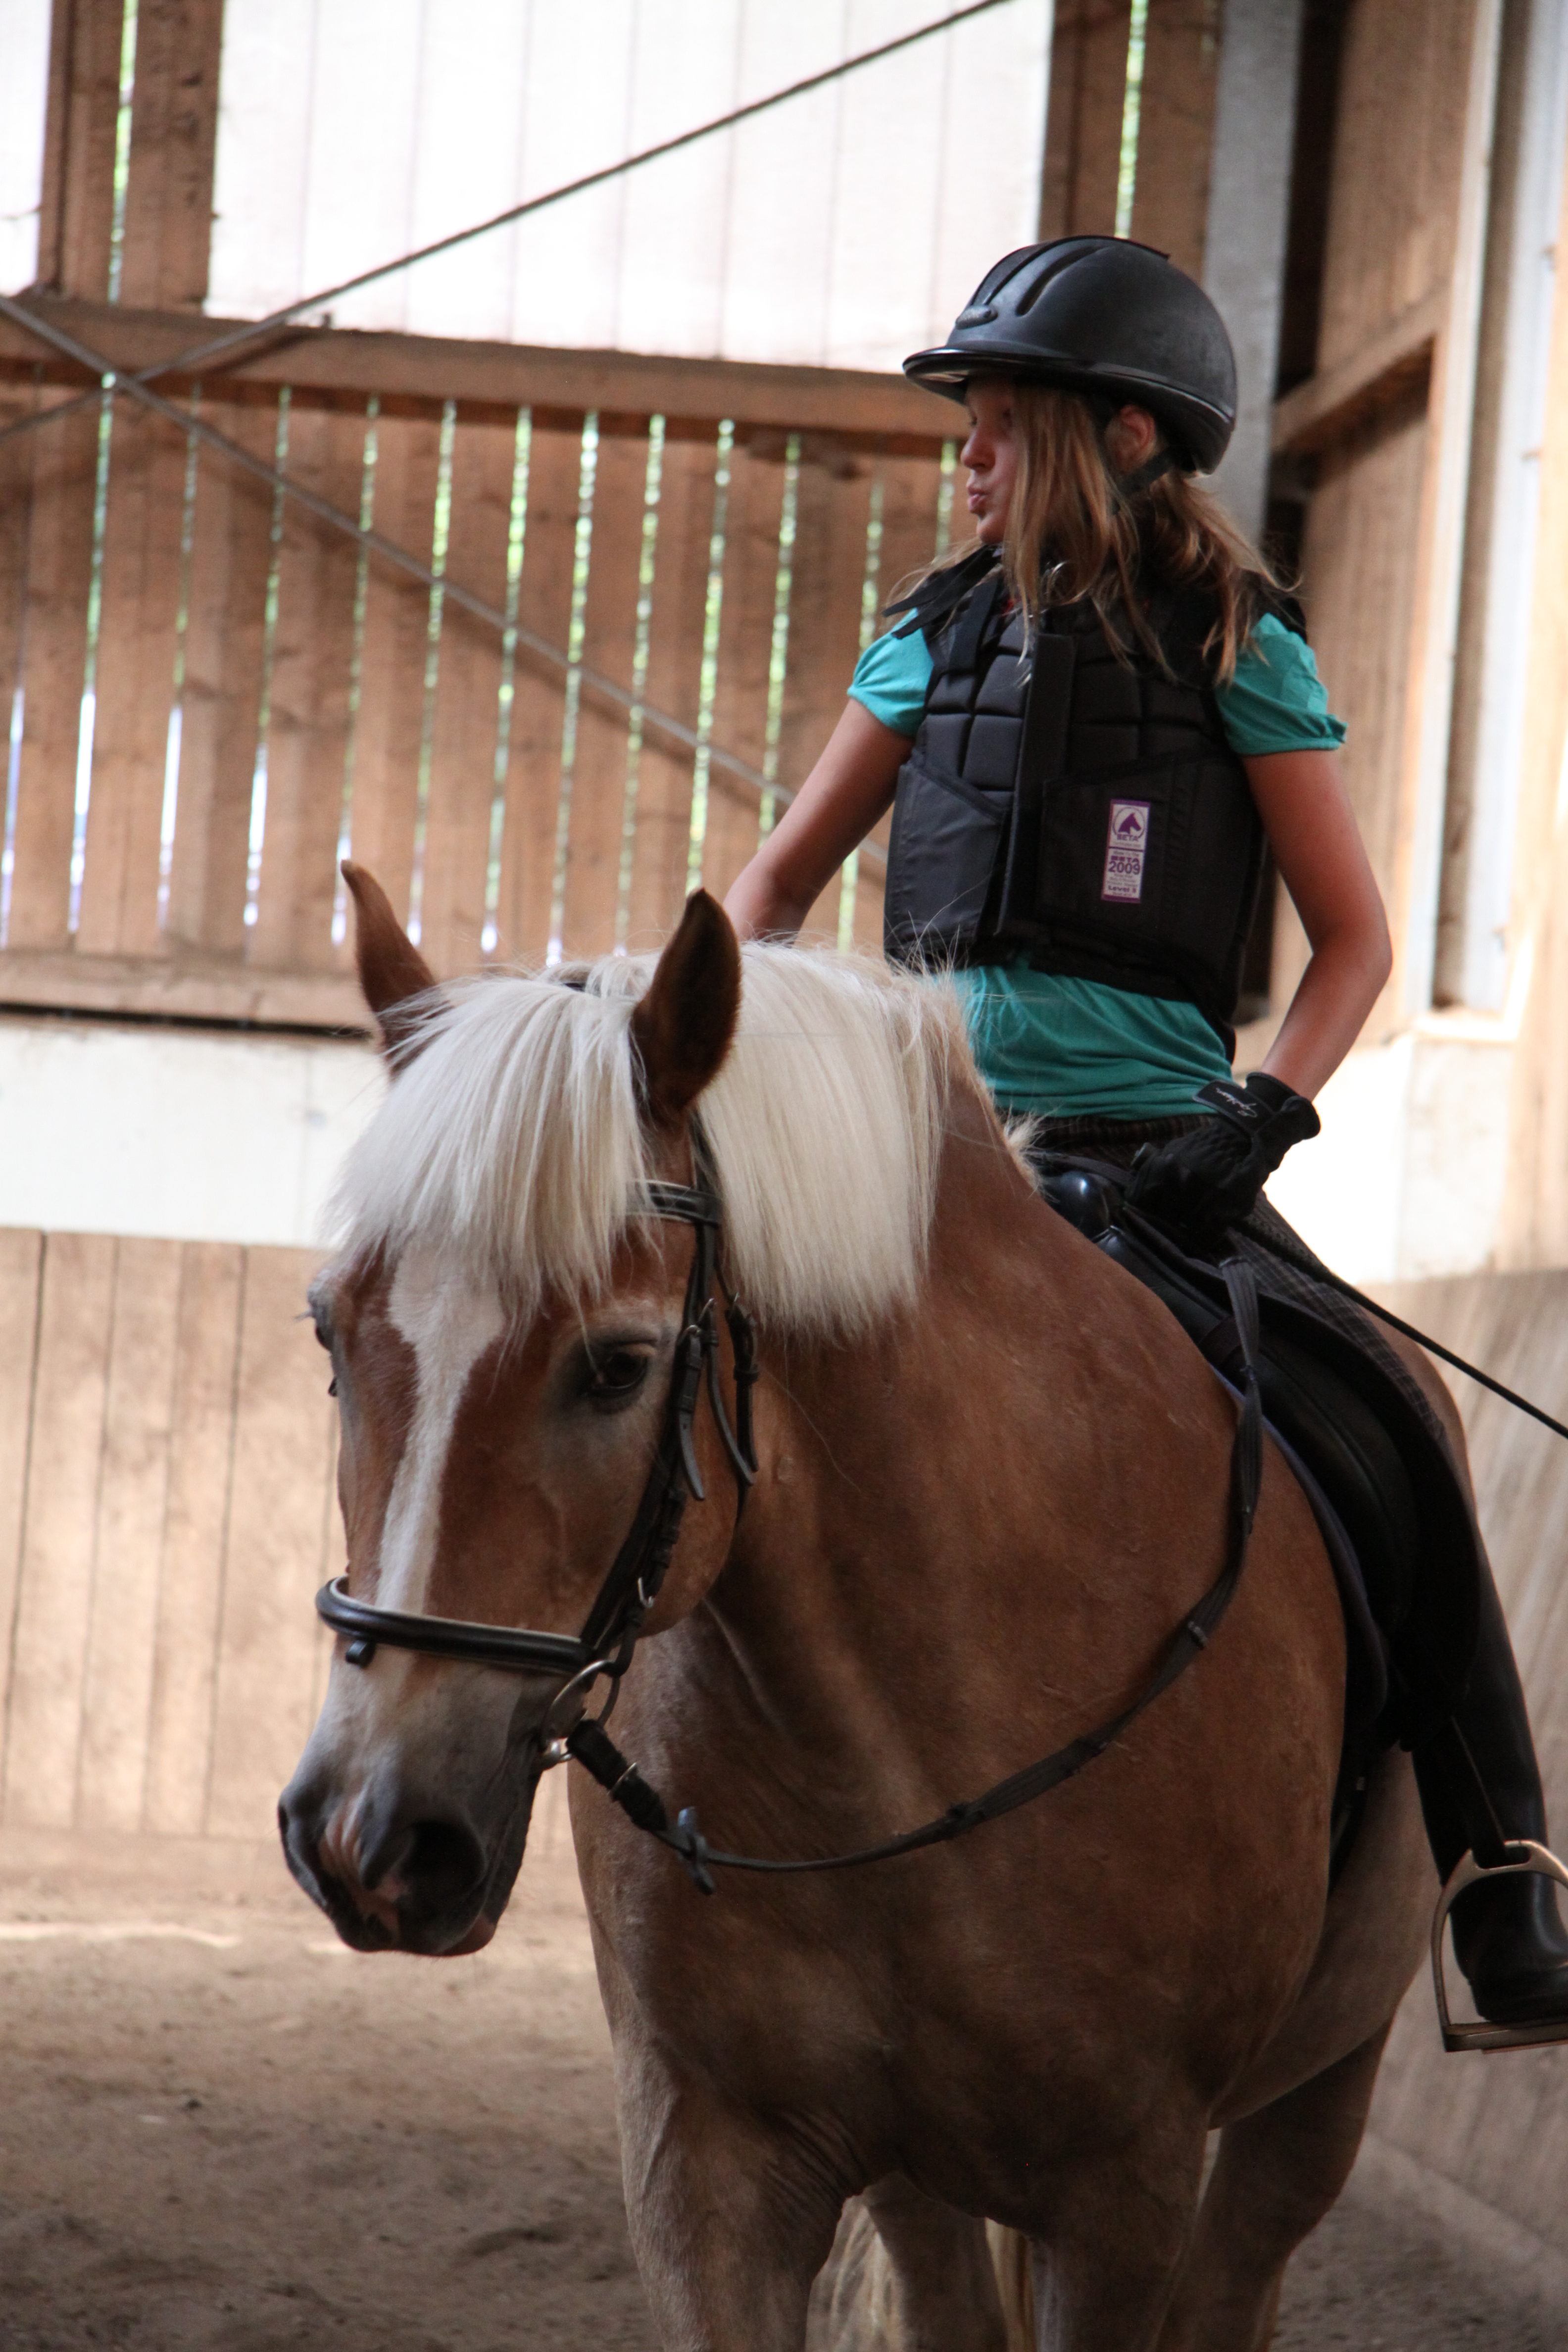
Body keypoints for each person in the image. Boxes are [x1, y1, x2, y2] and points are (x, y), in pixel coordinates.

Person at [724, 235, 1568, 2034]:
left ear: (1119, 435)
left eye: (998, 420)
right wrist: (710, 1046)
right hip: (930, 1150)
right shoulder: (927, 641)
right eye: (965, 422)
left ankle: (1506, 1866)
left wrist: (1261, 1119)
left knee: (1396, 1419)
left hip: (1156, 1156)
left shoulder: (1239, 647)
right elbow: (774, 889)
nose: (967, 454)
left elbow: (1356, 943)